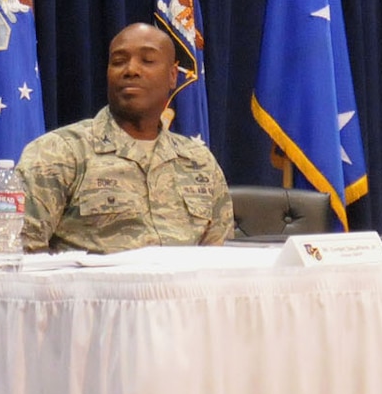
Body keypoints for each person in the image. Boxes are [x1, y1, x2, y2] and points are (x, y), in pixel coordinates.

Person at [18, 22, 234, 252]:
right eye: (118, 62)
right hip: (92, 287)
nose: (131, 70)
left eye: (147, 61)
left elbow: (220, 259)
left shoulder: (199, 162)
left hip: (185, 288)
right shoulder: (59, 152)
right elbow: (14, 252)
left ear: (172, 76)